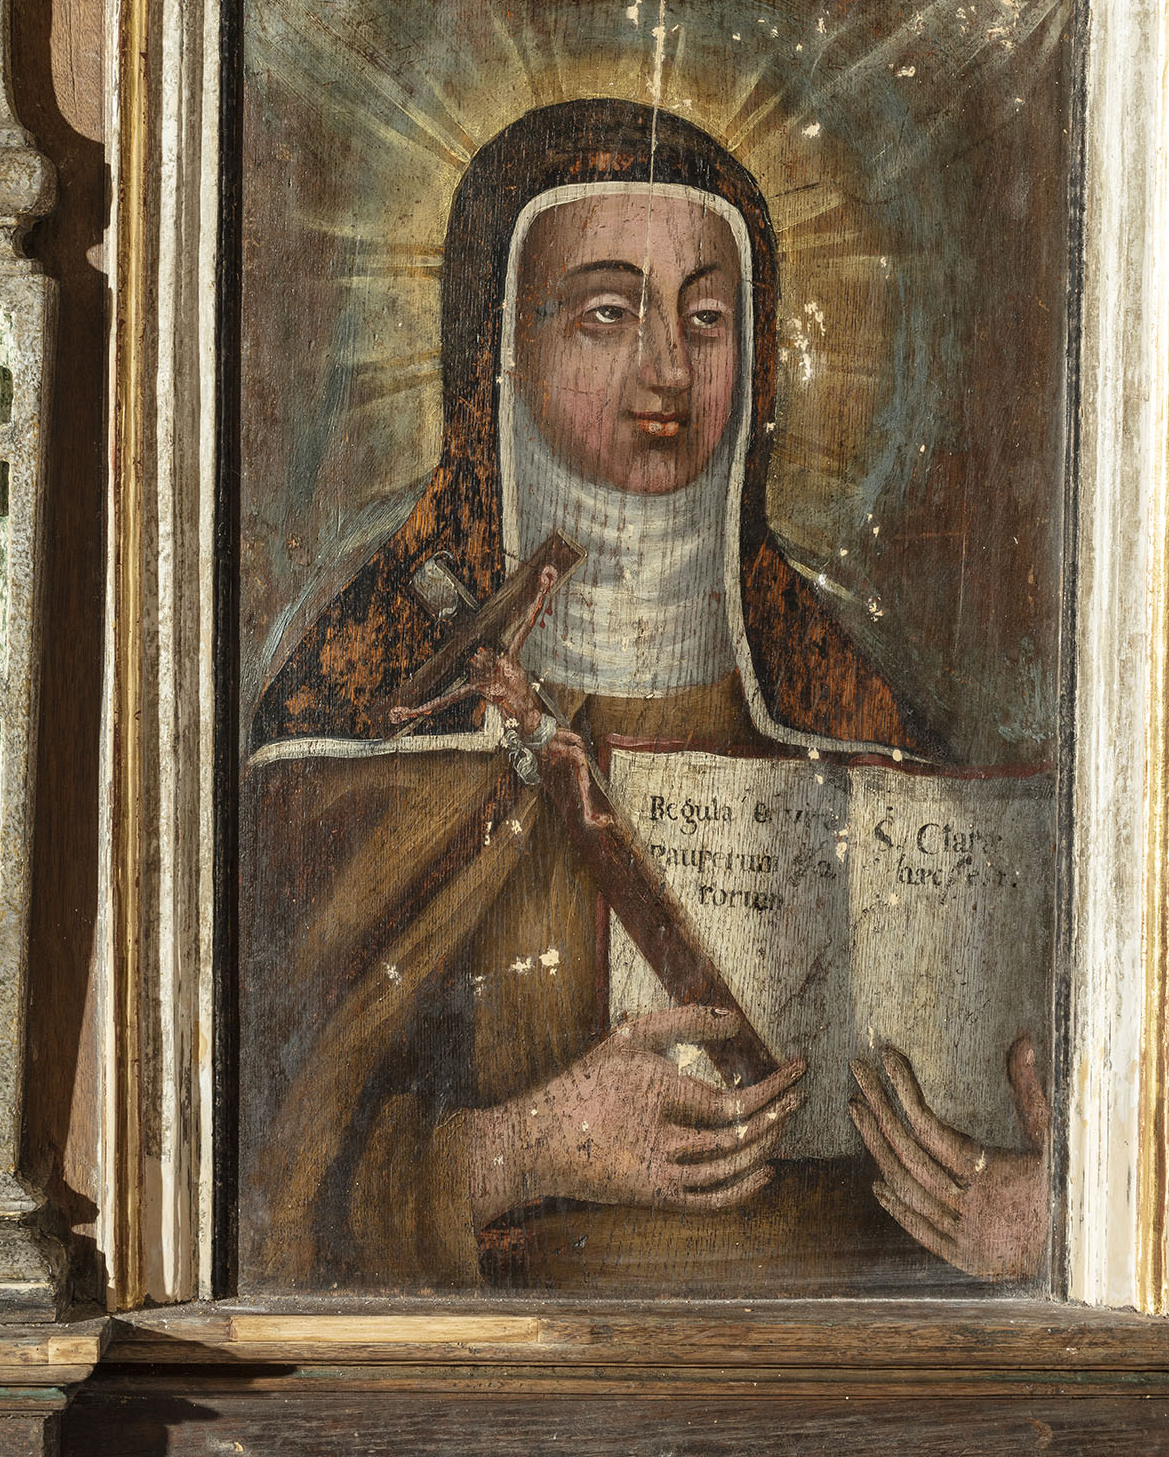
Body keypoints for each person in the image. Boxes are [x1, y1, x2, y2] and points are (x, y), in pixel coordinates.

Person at [242, 96, 1047, 1293]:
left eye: (706, 318)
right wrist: (518, 1148)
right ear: (497, 346)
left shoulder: (839, 700)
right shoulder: (366, 709)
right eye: (606, 313)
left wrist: (1039, 1206)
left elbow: (1013, 1075)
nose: (667, 367)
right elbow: (252, 1172)